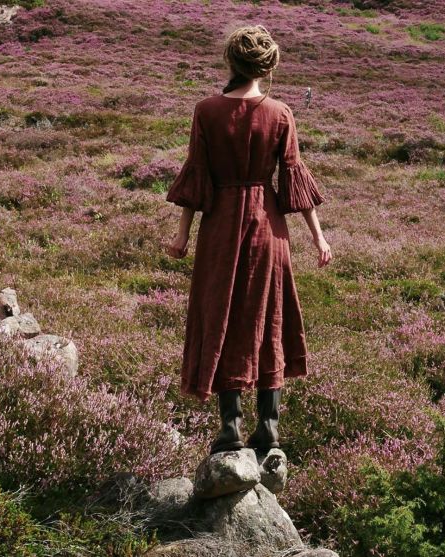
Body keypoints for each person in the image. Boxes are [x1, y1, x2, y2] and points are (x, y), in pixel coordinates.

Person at [164, 25, 332, 455]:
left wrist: (182, 235)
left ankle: (230, 427)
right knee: (268, 318)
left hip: (220, 227)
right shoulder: (281, 113)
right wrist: (319, 237)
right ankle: (269, 427)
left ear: (231, 63)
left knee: (222, 316)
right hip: (269, 230)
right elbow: (292, 179)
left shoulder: (206, 110)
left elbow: (197, 177)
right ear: (268, 66)